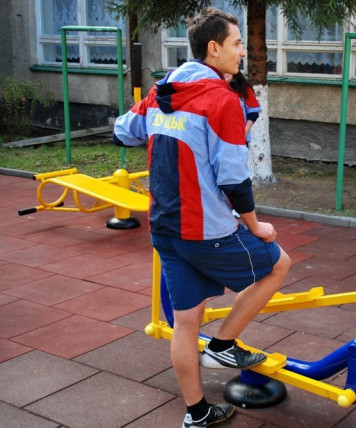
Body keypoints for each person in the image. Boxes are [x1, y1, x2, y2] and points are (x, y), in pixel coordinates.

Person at [112, 7, 290, 427]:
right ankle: (224, 344)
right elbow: (234, 179)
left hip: (165, 227)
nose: (242, 52)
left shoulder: (163, 90)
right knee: (278, 263)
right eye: (237, 44)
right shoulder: (220, 101)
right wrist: (255, 225)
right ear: (213, 48)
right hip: (205, 229)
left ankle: (197, 413)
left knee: (186, 322)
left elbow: (123, 131)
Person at [224, 71, 261, 147]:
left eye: (227, 71)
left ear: (234, 71)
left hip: (239, 138)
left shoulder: (244, 89)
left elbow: (253, 112)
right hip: (219, 138)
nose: (224, 74)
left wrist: (244, 132)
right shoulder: (214, 89)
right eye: (221, 71)